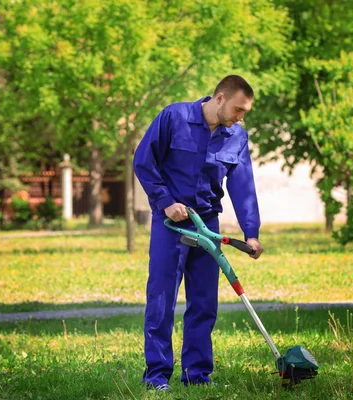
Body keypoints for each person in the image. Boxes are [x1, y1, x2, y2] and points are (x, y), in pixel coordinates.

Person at [133, 75, 264, 391]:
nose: (240, 117)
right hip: (170, 224)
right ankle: (156, 376)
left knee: (204, 302)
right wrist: (165, 202)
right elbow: (143, 160)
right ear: (220, 98)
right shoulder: (174, 117)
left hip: (208, 224)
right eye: (237, 109)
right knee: (162, 299)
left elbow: (242, 185)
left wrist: (251, 232)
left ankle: (197, 375)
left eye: (245, 112)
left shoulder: (236, 136)